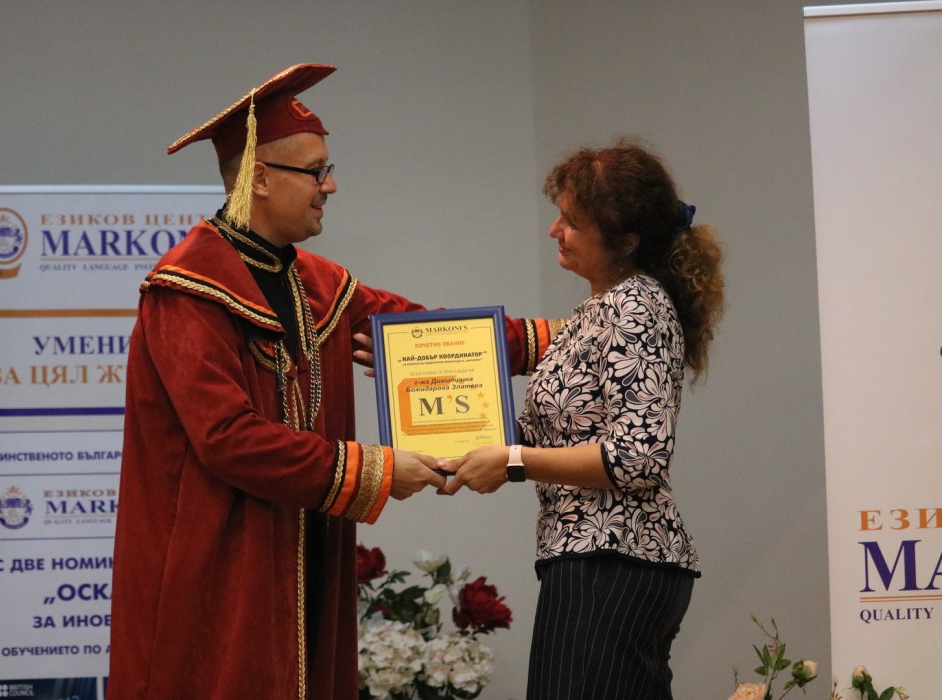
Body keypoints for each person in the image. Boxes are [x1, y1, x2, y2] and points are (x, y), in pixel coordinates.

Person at [107, 63, 558, 700]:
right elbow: (227, 438)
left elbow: (441, 337)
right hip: (218, 565)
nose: (331, 185)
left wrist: (576, 335)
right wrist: (373, 469)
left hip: (306, 552)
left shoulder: (319, 286)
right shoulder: (188, 292)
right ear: (260, 178)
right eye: (316, 171)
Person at [441, 140, 725, 699]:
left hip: (614, 558)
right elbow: (554, 434)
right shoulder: (597, 310)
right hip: (593, 558)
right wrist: (440, 411)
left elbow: (638, 457)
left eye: (572, 222)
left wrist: (513, 461)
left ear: (625, 240)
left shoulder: (635, 306)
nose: (555, 230)